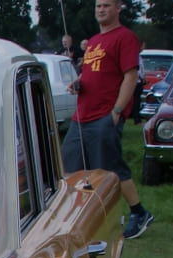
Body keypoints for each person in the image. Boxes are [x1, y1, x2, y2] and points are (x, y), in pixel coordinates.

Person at [62, 0, 152, 239]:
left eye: (106, 5)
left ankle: (138, 212)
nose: (101, 10)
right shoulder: (92, 42)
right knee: (70, 168)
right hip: (81, 115)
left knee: (109, 168)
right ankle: (78, 218)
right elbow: (92, 72)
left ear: (118, 8)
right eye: (98, 6)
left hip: (105, 115)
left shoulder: (125, 38)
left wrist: (117, 111)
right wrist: (78, 82)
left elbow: (130, 77)